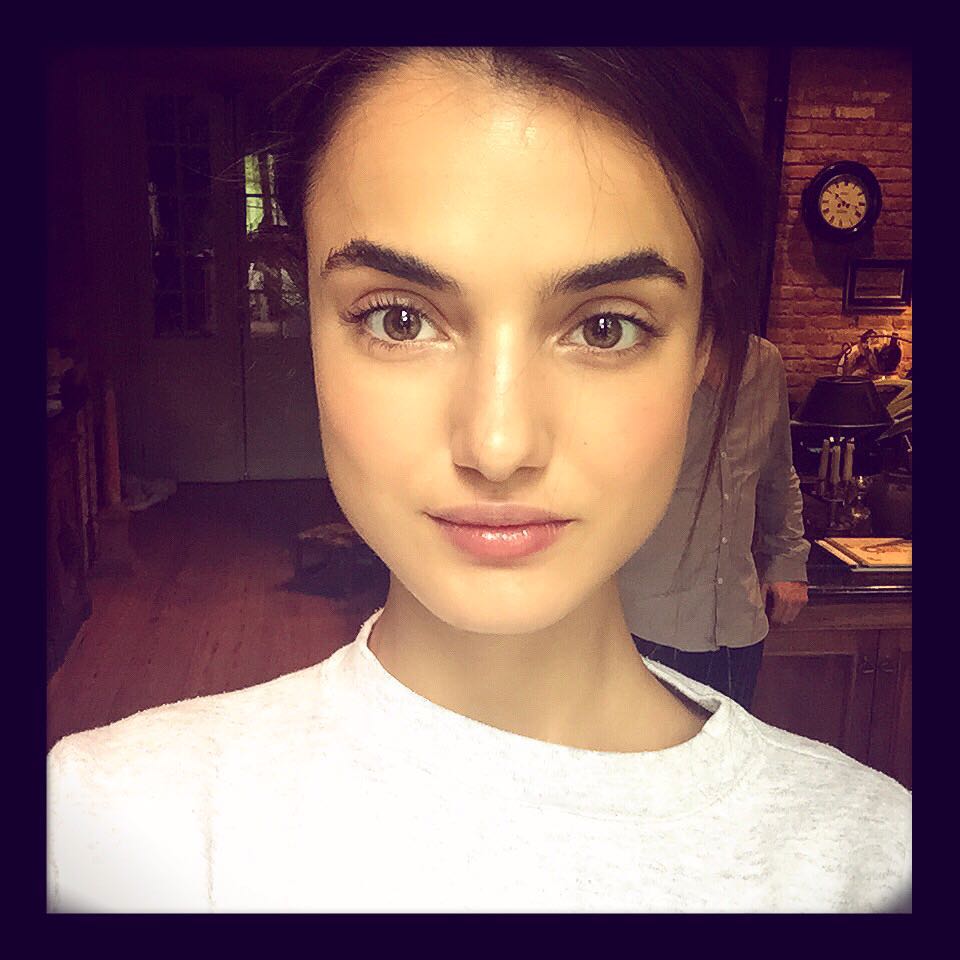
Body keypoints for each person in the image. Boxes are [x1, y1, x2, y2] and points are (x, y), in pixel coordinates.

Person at [47, 47, 910, 913]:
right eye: (399, 319)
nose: (497, 446)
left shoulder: (877, 868)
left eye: (605, 327)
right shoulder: (106, 829)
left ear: (704, 353)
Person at [619, 334, 809, 710]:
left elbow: (777, 473)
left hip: (739, 622)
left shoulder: (764, 362)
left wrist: (788, 560)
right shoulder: (643, 355)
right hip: (644, 621)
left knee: (730, 745)